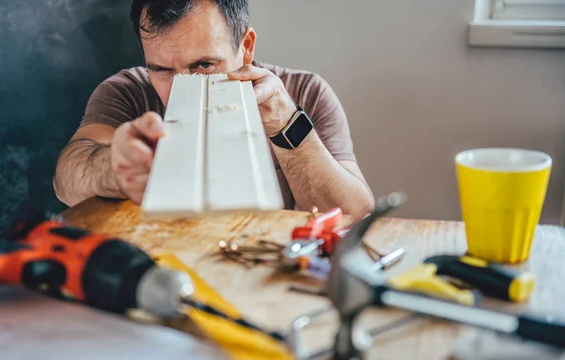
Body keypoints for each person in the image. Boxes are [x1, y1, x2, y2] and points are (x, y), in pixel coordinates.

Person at [53, 0, 374, 216]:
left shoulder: (305, 91)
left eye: (203, 64)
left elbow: (355, 215)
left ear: (245, 47)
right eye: (161, 69)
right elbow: (65, 182)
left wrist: (287, 126)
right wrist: (115, 167)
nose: (180, 86)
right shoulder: (128, 92)